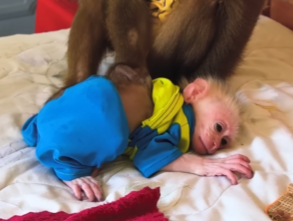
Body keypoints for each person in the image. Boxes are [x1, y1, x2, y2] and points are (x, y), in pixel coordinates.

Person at [22, 70, 253, 201]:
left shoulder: (163, 91)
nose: (216, 143)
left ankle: (42, 123)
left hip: (85, 96)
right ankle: (66, 167)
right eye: (219, 127)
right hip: (102, 104)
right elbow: (150, 156)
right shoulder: (181, 121)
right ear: (195, 92)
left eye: (224, 142)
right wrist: (203, 166)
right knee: (112, 133)